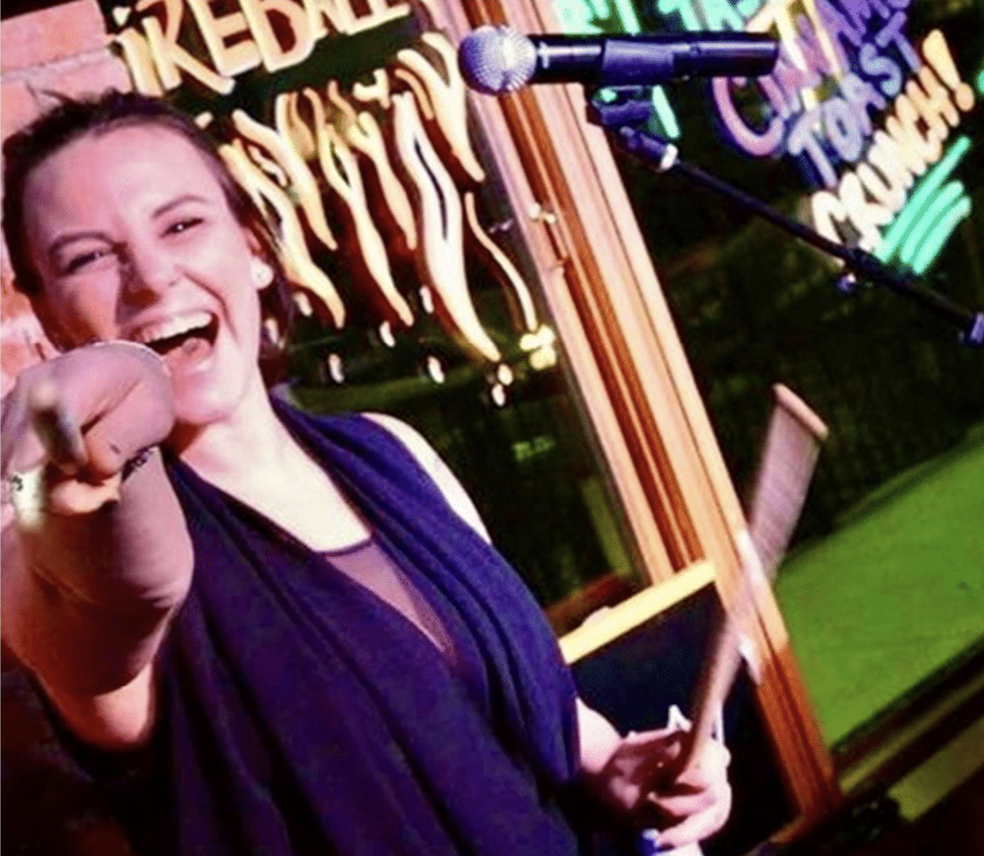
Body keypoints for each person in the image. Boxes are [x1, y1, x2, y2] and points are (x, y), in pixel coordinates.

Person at [1, 91, 731, 855]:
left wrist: (617, 767)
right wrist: (61, 470)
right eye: (86, 258)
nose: (151, 277)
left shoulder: (392, 450)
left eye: (182, 224)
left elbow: (530, 720)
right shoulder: (77, 546)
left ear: (251, 247)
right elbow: (103, 591)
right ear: (51, 319)